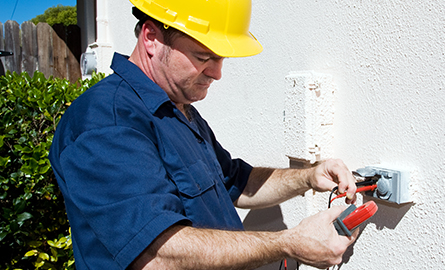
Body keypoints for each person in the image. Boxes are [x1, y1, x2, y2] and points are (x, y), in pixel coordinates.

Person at [49, 0, 359, 269]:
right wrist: (289, 242)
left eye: (222, 57)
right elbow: (158, 256)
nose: (217, 72)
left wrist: (308, 177)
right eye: (203, 57)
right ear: (152, 38)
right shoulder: (107, 120)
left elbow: (237, 182)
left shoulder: (176, 107)